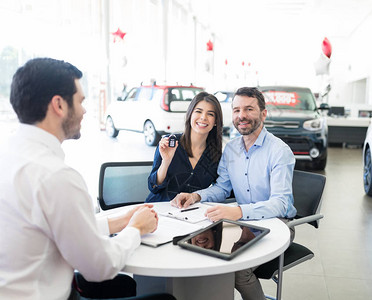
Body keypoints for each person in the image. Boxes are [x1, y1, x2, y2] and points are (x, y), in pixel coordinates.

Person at [0, 58, 174, 300]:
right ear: (59, 105)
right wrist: (136, 228)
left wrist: (118, 222)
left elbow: (57, 230)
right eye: (81, 101)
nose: (84, 110)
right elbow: (99, 267)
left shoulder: (9, 155)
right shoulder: (56, 177)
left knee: (123, 286)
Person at [171, 86, 297, 300]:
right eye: (237, 110)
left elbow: (281, 204)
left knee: (238, 270)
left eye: (249, 109)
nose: (242, 116)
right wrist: (196, 196)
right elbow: (222, 188)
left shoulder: (279, 151)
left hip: (278, 224)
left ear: (263, 113)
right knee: (204, 254)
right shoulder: (231, 149)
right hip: (245, 225)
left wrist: (238, 212)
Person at [145, 92, 223, 202]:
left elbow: (220, 189)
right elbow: (153, 186)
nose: (203, 117)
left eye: (210, 114)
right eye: (198, 111)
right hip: (159, 209)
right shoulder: (170, 143)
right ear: (190, 114)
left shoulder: (215, 155)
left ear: (215, 121)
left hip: (191, 214)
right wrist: (166, 162)